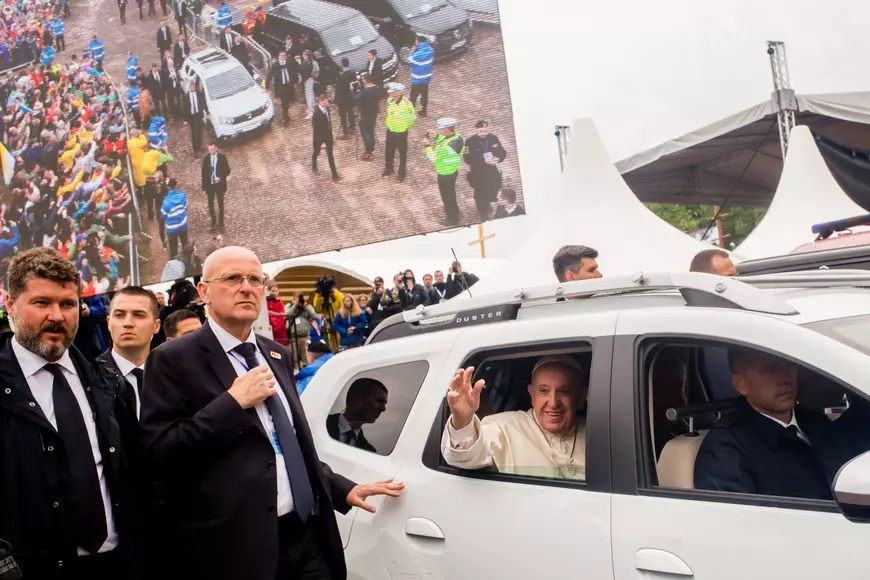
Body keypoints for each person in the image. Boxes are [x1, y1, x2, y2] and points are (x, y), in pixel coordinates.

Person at [139, 246, 404, 580]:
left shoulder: (276, 354)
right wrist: (231, 404)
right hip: (234, 549)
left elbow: (287, 444)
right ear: (204, 292)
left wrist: (339, 487)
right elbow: (160, 452)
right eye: (233, 278)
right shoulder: (172, 359)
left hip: (305, 538)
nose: (246, 287)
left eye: (255, 279)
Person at [0, 248, 140, 579]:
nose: (57, 316)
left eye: (67, 304)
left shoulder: (108, 383)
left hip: (116, 563)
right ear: (10, 305)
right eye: (41, 303)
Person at [694, 349, 870, 499]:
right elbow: (733, 524)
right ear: (740, 384)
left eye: (789, 366)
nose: (785, 378)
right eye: (771, 369)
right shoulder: (727, 448)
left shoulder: (819, 425)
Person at [442, 356, 588, 479]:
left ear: (581, 397)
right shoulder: (503, 427)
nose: (553, 402)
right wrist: (462, 421)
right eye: (543, 391)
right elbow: (467, 454)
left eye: (564, 391)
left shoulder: (599, 432)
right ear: (532, 395)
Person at [97, 286, 161, 417]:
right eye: (119, 315)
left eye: (139, 315)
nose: (128, 323)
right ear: (109, 322)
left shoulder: (170, 374)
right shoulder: (92, 378)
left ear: (156, 325)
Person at [327, 378, 388, 452]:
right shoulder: (320, 425)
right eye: (379, 401)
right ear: (357, 398)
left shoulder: (369, 452)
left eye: (384, 403)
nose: (383, 408)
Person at [464, 120, 508, 221]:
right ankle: (483, 214)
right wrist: (484, 161)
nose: (483, 133)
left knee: (493, 191)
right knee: (480, 196)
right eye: (481, 131)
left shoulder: (493, 138)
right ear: (476, 130)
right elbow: (467, 159)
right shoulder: (469, 141)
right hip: (478, 173)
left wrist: (498, 159)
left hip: (492, 171)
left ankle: (488, 204)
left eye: (485, 130)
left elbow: (502, 152)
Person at [427, 118, 465, 225]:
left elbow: (433, 158)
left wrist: (427, 146)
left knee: (447, 196)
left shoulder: (446, 147)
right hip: (452, 170)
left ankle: (452, 218)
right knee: (451, 194)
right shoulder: (458, 137)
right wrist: (437, 137)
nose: (441, 131)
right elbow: (445, 141)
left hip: (445, 173)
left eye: (442, 129)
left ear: (447, 129)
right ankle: (455, 213)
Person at [383, 83, 416, 181]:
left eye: (392, 92)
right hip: (390, 130)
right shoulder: (390, 100)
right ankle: (389, 169)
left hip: (401, 132)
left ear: (398, 93)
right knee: (388, 151)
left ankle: (402, 173)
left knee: (402, 153)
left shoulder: (407, 104)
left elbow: (412, 118)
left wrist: (405, 126)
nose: (390, 94)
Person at [201, 141, 231, 232]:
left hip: (219, 185)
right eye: (209, 149)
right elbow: (203, 173)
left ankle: (221, 224)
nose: (211, 151)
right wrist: (204, 186)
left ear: (216, 148)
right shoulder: (206, 159)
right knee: (211, 204)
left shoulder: (222, 158)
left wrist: (220, 177)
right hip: (210, 185)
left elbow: (227, 170)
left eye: (213, 149)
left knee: (220, 204)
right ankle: (213, 223)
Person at [285, 291, 319, 370]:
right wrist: (295, 305)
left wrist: (304, 307)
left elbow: (314, 315)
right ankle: (296, 372)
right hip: (293, 337)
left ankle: (307, 371)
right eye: (296, 298)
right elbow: (287, 314)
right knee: (294, 358)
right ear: (293, 299)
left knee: (306, 358)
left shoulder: (307, 307)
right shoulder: (289, 306)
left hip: (305, 336)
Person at [311, 93, 340, 182]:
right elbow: (316, 129)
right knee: (316, 151)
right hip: (319, 138)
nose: (327, 104)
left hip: (328, 136)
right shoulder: (316, 114)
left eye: (327, 102)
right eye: (325, 102)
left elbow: (328, 123)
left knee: (330, 155)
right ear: (320, 102)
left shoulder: (327, 109)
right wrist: (322, 142)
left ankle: (334, 175)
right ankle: (314, 165)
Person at [352, 73, 380, 160]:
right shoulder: (376, 88)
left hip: (365, 115)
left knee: (366, 133)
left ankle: (368, 151)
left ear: (365, 81)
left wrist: (352, 90)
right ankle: (371, 148)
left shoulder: (366, 91)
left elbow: (356, 98)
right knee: (371, 131)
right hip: (374, 113)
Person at [160, 177, 188, 258]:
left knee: (173, 249)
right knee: (185, 244)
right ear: (176, 185)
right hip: (183, 224)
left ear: (168, 187)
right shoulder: (182, 196)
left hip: (172, 228)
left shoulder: (166, 201)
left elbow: (163, 216)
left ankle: (174, 262)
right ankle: (187, 259)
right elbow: (185, 207)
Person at [266, 50, 296, 125]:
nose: (283, 57)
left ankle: (285, 114)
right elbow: (270, 75)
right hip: (280, 86)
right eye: (281, 56)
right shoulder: (275, 65)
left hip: (289, 85)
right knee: (284, 102)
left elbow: (293, 72)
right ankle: (285, 117)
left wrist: (296, 80)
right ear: (279, 57)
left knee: (288, 101)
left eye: (284, 55)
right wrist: (266, 86)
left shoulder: (289, 62)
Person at [408, 36, 433, 117]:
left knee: (413, 96)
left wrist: (412, 52)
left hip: (417, 78)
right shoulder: (431, 50)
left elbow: (410, 62)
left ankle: (411, 112)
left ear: (419, 42)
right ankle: (424, 110)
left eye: (416, 40)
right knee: (425, 94)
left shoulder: (417, 54)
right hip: (427, 77)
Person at [182, 80, 207, 156]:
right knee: (193, 133)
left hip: (198, 115)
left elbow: (203, 103)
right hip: (191, 116)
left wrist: (205, 111)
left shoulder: (199, 94)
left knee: (199, 131)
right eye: (191, 87)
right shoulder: (186, 97)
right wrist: (186, 119)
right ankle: (195, 149)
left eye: (193, 87)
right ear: (189, 88)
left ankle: (199, 146)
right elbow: (184, 108)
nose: (192, 88)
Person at [335, 57, 356, 139]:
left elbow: (338, 89)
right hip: (350, 96)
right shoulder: (353, 72)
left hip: (342, 99)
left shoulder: (341, 76)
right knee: (350, 112)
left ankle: (345, 133)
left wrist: (336, 100)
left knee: (343, 116)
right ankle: (352, 127)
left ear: (342, 64)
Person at [266, 281, 288, 346]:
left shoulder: (279, 302)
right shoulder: (265, 301)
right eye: (273, 291)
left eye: (276, 291)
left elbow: (282, 314)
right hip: (270, 326)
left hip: (279, 327)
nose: (274, 292)